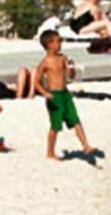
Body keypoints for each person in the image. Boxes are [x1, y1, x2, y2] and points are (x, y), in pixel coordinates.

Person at [36, 29, 95, 161]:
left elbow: (70, 76)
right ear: (49, 44)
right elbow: (36, 81)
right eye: (59, 41)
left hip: (65, 94)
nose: (61, 43)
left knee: (75, 119)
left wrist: (71, 69)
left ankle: (86, 145)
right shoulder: (46, 61)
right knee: (55, 126)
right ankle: (50, 152)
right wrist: (45, 93)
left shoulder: (63, 58)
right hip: (54, 96)